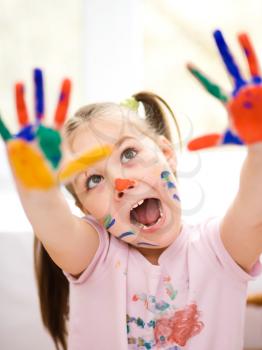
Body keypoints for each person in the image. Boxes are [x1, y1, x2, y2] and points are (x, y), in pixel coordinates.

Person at [2, 31, 262, 350]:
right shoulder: (94, 256)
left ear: (167, 154)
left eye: (128, 154)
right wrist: (37, 185)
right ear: (86, 210)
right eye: (93, 180)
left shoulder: (219, 251)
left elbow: (254, 211)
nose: (120, 184)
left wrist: (259, 145)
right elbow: (53, 224)